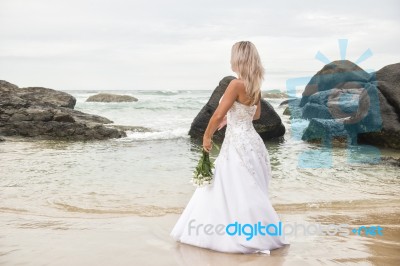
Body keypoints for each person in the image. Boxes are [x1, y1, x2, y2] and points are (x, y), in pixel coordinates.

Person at [170, 41, 289, 254]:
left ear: (239, 59)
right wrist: (232, 118)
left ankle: (228, 234)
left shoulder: (235, 84)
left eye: (232, 56)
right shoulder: (255, 86)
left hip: (237, 144)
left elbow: (216, 114)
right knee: (248, 190)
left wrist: (207, 136)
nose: (230, 60)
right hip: (253, 143)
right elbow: (257, 115)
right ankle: (262, 234)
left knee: (232, 189)